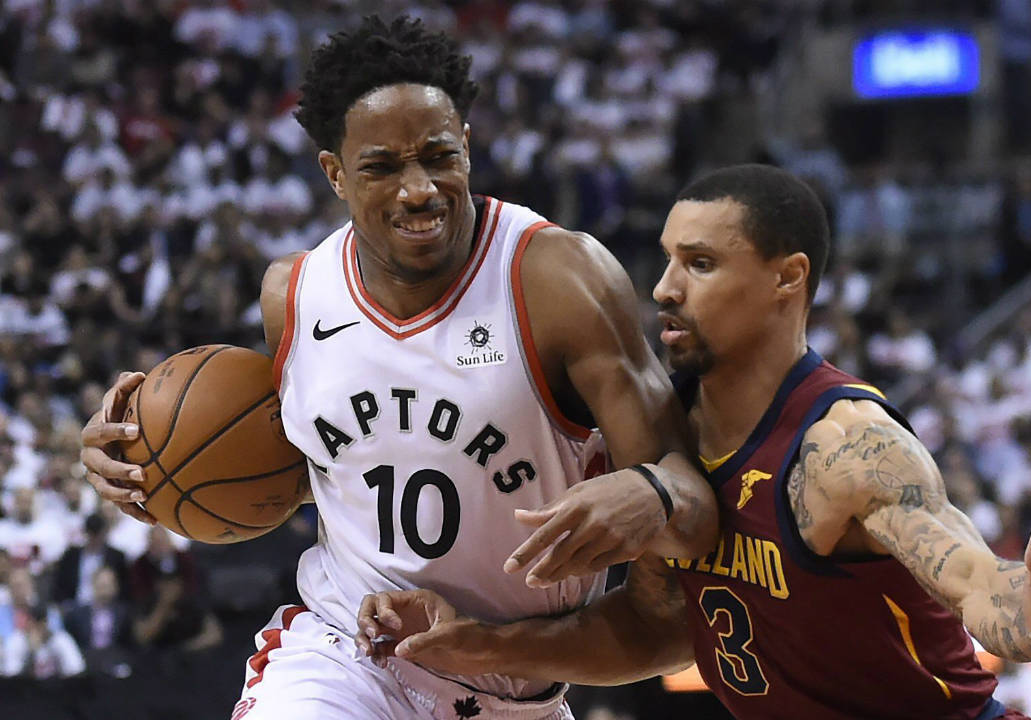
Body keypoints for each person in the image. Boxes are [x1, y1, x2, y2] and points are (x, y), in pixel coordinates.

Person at [77, 15, 716, 720]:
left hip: (518, 686)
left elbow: (678, 573)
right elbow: (308, 471)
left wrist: (656, 494)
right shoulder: (293, 295)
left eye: (438, 156)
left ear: (467, 146)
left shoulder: (557, 279)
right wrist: (138, 457)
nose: (419, 189)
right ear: (335, 173)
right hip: (342, 657)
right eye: (382, 166)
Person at [357, 165, 1031, 719]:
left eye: (700, 263)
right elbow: (656, 631)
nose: (665, 287)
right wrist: (479, 648)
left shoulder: (846, 446)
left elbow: (972, 581)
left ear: (788, 279)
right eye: (667, 260)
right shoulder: (661, 429)